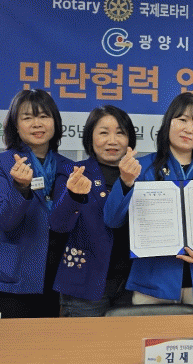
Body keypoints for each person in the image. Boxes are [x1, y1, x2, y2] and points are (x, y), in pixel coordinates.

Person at [104, 92, 193, 313]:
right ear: (168, 123)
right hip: (152, 283)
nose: (188, 129)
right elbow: (112, 219)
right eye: (182, 120)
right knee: (151, 336)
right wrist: (126, 182)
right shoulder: (142, 167)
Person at [0, 89, 72, 318]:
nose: (37, 124)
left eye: (44, 116)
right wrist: (20, 188)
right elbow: (2, 221)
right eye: (27, 117)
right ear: (15, 126)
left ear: (55, 122)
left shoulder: (68, 166)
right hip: (10, 277)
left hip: (54, 277)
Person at [51, 105, 137, 317]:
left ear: (129, 139)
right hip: (84, 284)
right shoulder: (73, 172)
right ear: (90, 137)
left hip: (131, 284)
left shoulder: (140, 175)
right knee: (84, 339)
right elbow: (58, 224)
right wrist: (73, 195)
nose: (112, 141)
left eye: (120, 133)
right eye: (104, 133)